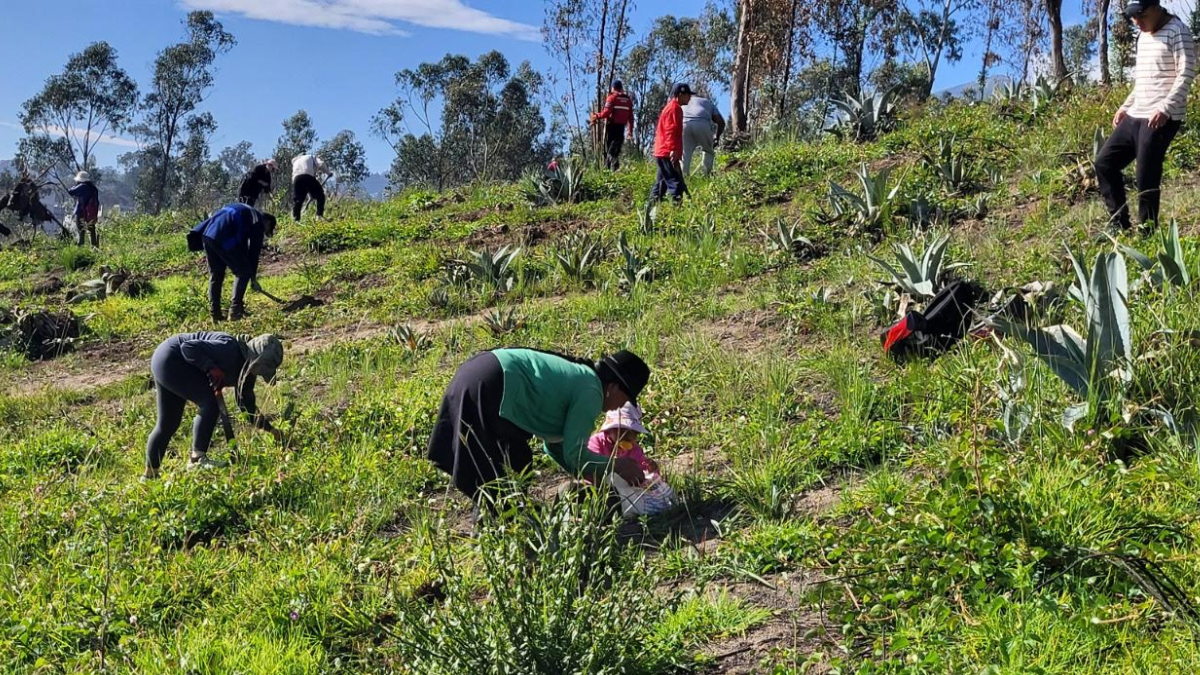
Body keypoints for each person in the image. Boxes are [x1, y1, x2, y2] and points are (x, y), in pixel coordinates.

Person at [427, 348, 652, 503]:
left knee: (510, 462)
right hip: (495, 381)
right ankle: (504, 533)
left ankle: (499, 530)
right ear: (614, 386)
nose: (620, 406)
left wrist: (595, 480)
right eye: (626, 397)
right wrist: (618, 466)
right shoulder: (592, 390)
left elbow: (555, 447)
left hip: (479, 371)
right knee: (501, 470)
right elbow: (575, 454)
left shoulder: (582, 378)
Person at [1095, 0, 1195, 232]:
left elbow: (1186, 73)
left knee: (1145, 175)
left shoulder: (1177, 30)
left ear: (1156, 7)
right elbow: (1144, 79)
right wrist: (1126, 105)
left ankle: (1147, 232)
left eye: (1141, 15)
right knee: (1104, 163)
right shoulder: (1142, 36)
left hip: (1162, 116)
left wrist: (1165, 108)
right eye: (1132, 16)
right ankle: (1119, 224)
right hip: (1136, 113)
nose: (1136, 22)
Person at [144, 332, 283, 478]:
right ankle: (197, 459)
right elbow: (188, 347)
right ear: (253, 357)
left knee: (168, 423)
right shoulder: (228, 349)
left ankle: (149, 475)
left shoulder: (248, 373)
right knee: (210, 404)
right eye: (261, 367)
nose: (260, 373)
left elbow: (246, 406)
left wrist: (272, 430)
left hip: (168, 361)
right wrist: (210, 367)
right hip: (172, 358)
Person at [187, 203, 277, 322]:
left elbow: (243, 247)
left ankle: (215, 314)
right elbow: (254, 252)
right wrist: (252, 277)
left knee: (216, 274)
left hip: (208, 235)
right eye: (267, 230)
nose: (264, 232)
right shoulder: (258, 221)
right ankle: (235, 311)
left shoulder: (246, 213)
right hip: (223, 237)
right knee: (243, 272)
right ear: (268, 222)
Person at [587, 403, 676, 516]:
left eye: (633, 433)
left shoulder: (635, 450)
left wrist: (652, 470)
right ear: (609, 429)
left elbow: (643, 475)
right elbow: (590, 463)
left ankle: (617, 507)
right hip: (598, 486)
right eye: (621, 431)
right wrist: (614, 464)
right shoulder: (597, 442)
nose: (627, 437)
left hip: (623, 493)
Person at [650, 83, 692, 203]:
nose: (690, 98)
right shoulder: (674, 108)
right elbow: (670, 130)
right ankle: (676, 214)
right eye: (688, 95)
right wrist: (673, 150)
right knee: (676, 185)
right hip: (666, 152)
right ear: (680, 95)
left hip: (663, 151)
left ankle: (651, 207)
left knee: (661, 185)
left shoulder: (672, 107)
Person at [591, 80, 635, 170]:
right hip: (621, 128)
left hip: (612, 127)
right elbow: (631, 117)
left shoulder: (612, 98)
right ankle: (613, 169)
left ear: (613, 88)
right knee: (616, 149)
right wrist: (630, 131)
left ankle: (608, 169)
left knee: (609, 149)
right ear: (621, 88)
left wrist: (596, 116)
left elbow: (606, 113)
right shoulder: (628, 100)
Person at [682, 94, 725, 177]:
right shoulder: (707, 102)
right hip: (702, 124)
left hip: (684, 125)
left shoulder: (683, 102)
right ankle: (704, 175)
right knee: (708, 150)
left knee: (685, 153)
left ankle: (684, 177)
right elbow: (721, 122)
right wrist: (717, 137)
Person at [291, 153, 328, 222]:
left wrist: (309, 194)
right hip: (308, 177)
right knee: (320, 196)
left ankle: (296, 220)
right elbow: (321, 164)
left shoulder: (295, 162)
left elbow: (303, 184)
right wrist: (328, 172)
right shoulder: (311, 156)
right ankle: (319, 216)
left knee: (298, 200)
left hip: (296, 179)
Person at [68, 171, 100, 247]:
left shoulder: (82, 186)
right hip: (91, 214)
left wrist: (76, 184)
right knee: (92, 231)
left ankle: (80, 246)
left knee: (81, 231)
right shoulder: (94, 188)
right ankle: (94, 246)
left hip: (81, 212)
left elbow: (71, 191)